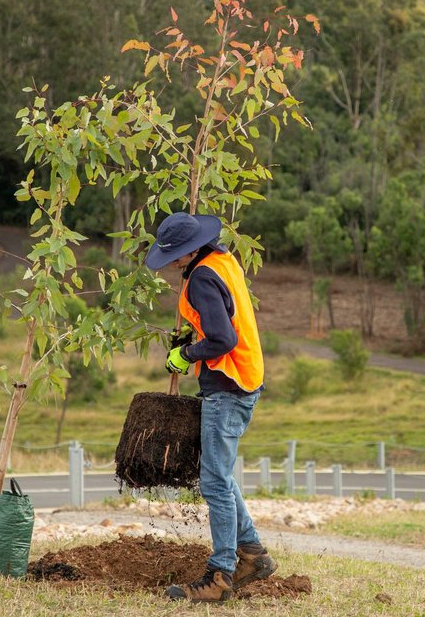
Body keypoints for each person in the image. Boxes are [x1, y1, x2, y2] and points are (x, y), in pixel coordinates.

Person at [144, 211, 278, 603]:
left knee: (215, 482)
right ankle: (252, 555)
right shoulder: (221, 259)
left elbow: (222, 338)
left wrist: (186, 354)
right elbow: (219, 319)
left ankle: (221, 575)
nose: (170, 262)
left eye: (174, 255)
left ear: (188, 252)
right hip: (243, 379)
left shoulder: (202, 276)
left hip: (228, 383)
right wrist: (191, 335)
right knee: (220, 475)